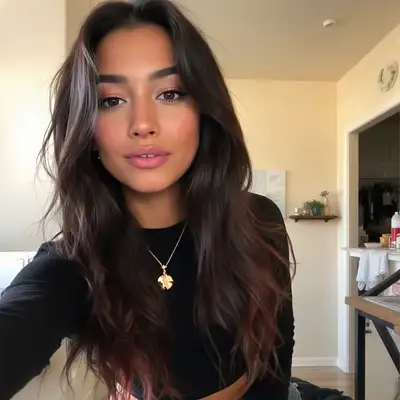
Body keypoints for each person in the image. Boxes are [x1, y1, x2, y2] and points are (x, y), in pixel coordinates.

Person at [0, 0, 296, 399]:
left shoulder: (259, 219)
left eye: (170, 93)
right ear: (87, 129)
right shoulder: (72, 265)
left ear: (203, 111)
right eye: (111, 101)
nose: (142, 124)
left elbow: (276, 356)